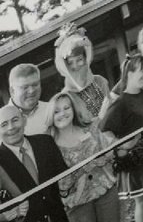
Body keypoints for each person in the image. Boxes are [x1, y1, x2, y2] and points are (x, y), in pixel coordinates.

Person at [100, 56, 143, 222]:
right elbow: (105, 130)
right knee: (142, 201)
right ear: (129, 73)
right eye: (142, 71)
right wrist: (124, 145)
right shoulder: (121, 102)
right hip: (136, 159)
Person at [0, 105, 69, 222]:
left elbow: (65, 180)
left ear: (24, 120)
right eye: (4, 124)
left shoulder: (46, 142)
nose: (11, 127)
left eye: (15, 120)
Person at [44, 92, 118, 222]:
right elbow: (59, 185)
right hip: (77, 204)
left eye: (67, 108)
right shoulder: (49, 147)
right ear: (51, 116)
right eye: (56, 111)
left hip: (106, 192)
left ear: (73, 109)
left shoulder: (89, 129)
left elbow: (110, 153)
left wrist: (107, 156)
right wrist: (86, 167)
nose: (63, 114)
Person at [0, 64, 50, 159]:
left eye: (35, 84)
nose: (31, 91)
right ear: (12, 91)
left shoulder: (54, 111)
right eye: (25, 87)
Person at [53, 24, 110, 120]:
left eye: (79, 59)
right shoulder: (66, 96)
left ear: (86, 58)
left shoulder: (100, 81)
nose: (75, 66)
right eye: (70, 63)